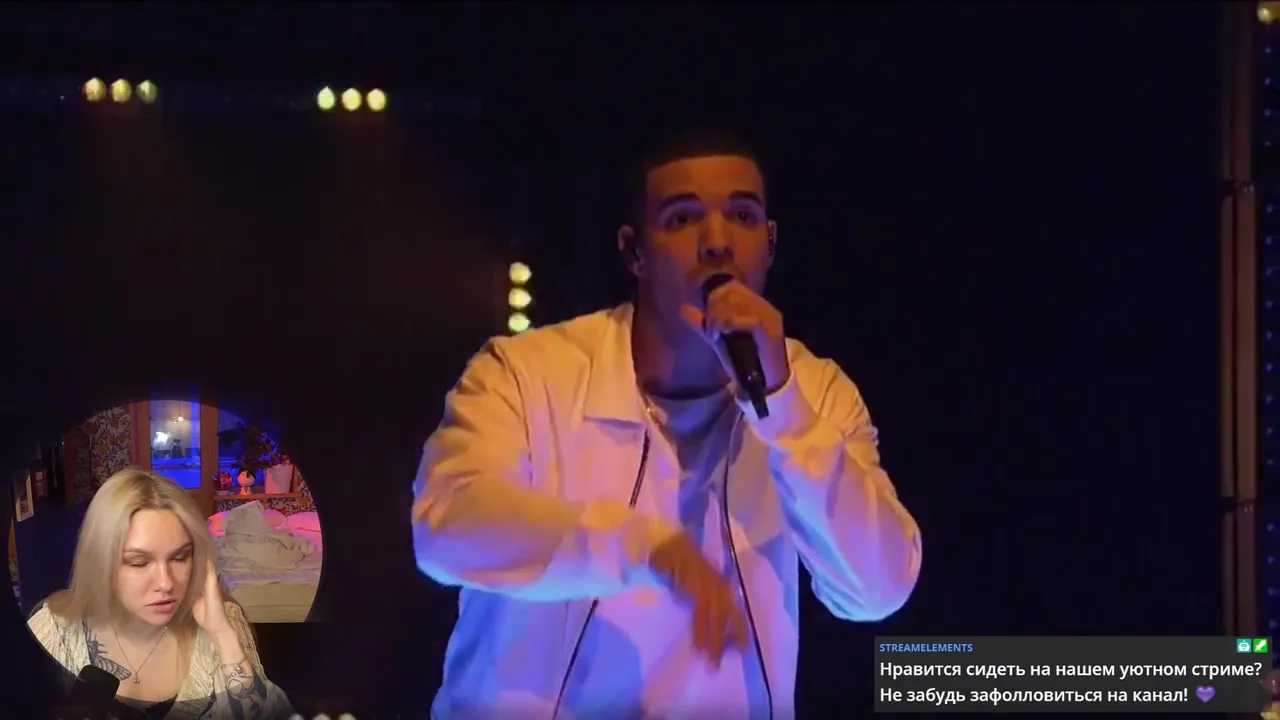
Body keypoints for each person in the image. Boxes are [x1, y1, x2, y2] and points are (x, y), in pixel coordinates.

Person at [411, 131, 923, 718]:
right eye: (683, 219)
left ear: (770, 243)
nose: (717, 243)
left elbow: (878, 589)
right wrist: (646, 548)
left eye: (742, 216)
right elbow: (447, 529)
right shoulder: (527, 376)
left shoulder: (813, 393)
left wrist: (782, 407)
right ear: (635, 253)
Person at [26, 468, 293, 719]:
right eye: (139, 562)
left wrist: (222, 633)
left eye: (179, 557)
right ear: (100, 562)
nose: (166, 583)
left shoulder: (224, 619)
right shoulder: (55, 630)